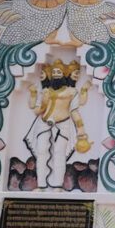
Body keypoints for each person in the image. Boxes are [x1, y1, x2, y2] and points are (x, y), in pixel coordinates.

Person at [25, 59, 91, 190]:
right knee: (41, 152)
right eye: (53, 71)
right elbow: (36, 110)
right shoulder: (45, 92)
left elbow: (74, 112)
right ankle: (41, 185)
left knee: (59, 154)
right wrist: (37, 96)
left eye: (58, 71)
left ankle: (57, 185)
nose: (55, 74)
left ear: (63, 74)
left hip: (63, 125)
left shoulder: (71, 92)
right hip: (44, 124)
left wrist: (81, 131)